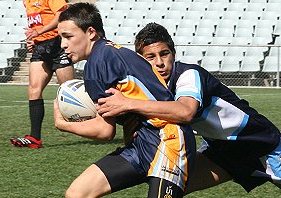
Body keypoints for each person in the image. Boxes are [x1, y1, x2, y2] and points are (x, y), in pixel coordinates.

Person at [97, 22, 281, 193]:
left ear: (174, 54)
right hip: (221, 150)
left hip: (261, 145)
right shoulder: (146, 90)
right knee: (171, 183)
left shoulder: (187, 74)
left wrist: (128, 104)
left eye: (164, 53)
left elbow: (186, 111)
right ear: (140, 61)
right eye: (151, 57)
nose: (159, 62)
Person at [54, 2, 196, 198]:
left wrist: (63, 125)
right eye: (61, 38)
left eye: (68, 37)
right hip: (142, 142)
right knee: (78, 193)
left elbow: (104, 130)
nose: (63, 44)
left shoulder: (97, 64)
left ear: (91, 32)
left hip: (167, 140)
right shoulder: (110, 51)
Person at [10, 0, 75, 148]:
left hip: (58, 45)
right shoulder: (26, 1)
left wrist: (39, 32)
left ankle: (98, 124)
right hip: (40, 48)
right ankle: (35, 138)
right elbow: (37, 24)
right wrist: (36, 39)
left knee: (69, 91)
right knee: (33, 90)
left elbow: (61, 15)